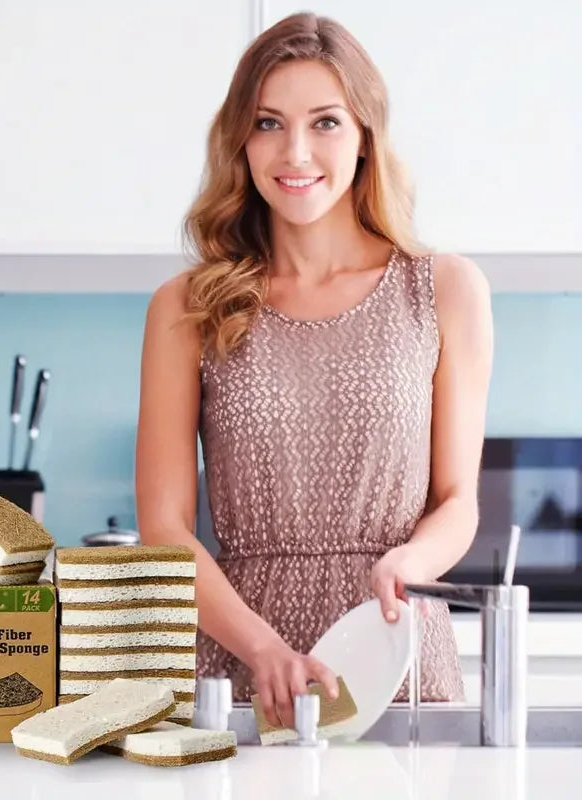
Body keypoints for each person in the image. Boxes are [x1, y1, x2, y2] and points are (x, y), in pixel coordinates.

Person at [135, 12, 493, 731]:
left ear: (365, 136)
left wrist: (412, 561)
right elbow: (163, 527)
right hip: (241, 666)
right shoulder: (186, 307)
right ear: (240, 138)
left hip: (395, 654)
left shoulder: (445, 290)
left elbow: (458, 502)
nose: (294, 151)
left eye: (325, 122)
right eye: (268, 122)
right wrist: (264, 649)